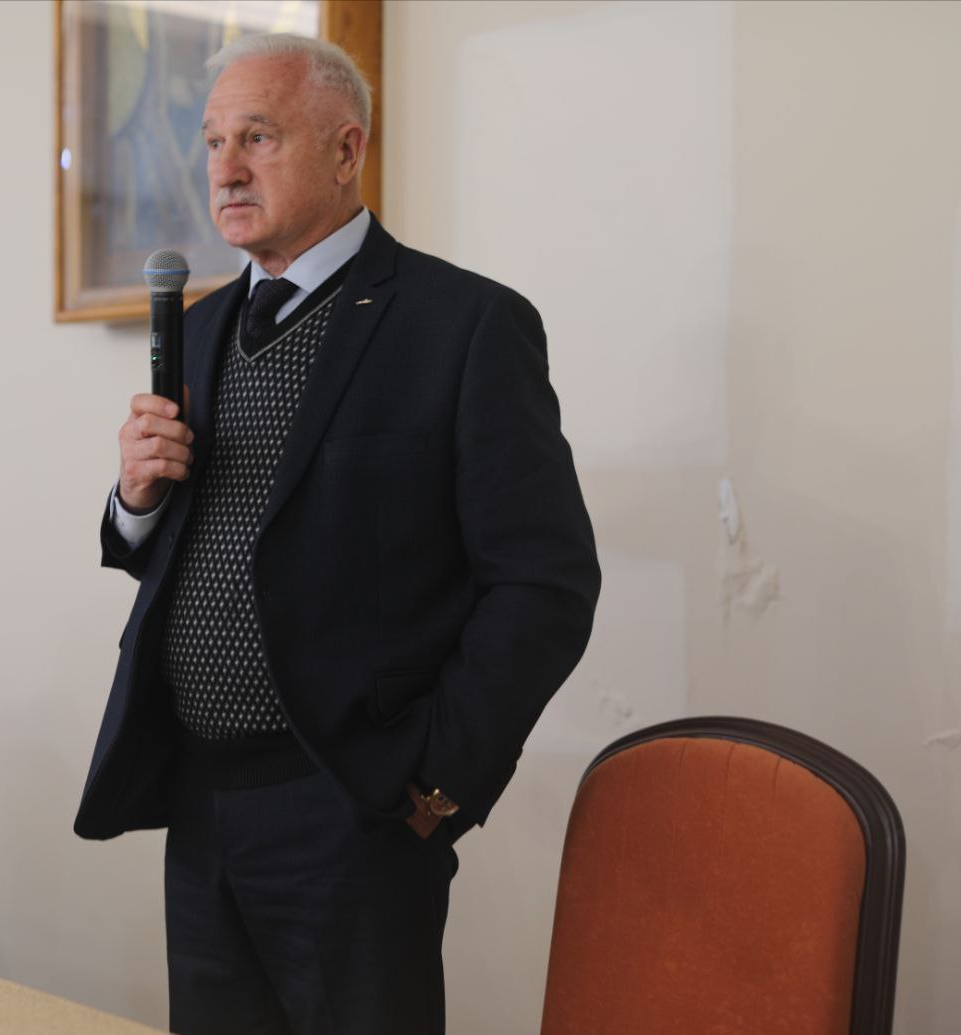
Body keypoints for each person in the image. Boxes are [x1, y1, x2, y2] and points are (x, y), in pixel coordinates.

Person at [75, 33, 601, 1035]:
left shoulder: (461, 325)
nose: (225, 168)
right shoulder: (197, 329)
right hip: (200, 802)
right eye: (212, 141)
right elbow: (191, 546)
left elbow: (544, 583)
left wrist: (435, 787)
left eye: (258, 137)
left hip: (352, 811)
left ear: (346, 149)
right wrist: (134, 497)